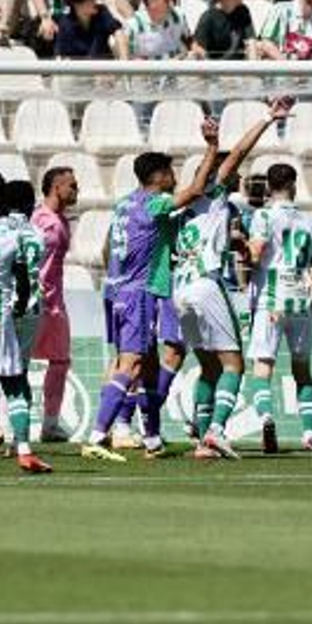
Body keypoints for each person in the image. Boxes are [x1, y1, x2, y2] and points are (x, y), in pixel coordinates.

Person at [81, 120, 221, 462]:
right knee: (131, 363)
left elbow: (105, 249)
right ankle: (97, 436)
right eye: (170, 171)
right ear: (158, 176)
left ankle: (154, 439)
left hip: (114, 290)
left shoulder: (124, 204)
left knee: (148, 365)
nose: (174, 177)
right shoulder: (155, 203)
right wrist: (212, 148)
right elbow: (196, 191)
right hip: (138, 291)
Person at [173, 106, 283, 460]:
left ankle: (203, 439)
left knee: (208, 365)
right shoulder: (214, 193)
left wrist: (235, 241)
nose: (236, 176)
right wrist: (268, 119)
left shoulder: (180, 208)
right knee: (234, 364)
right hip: (206, 283)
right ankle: (218, 430)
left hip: (180, 289)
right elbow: (239, 152)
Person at [243, 159, 312, 455]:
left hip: (271, 298)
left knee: (263, 367)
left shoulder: (263, 216)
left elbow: (257, 254)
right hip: (300, 298)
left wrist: (241, 247)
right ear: (293, 185)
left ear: (269, 187)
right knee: (302, 370)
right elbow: (307, 269)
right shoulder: (310, 222)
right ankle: (310, 434)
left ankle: (266, 417)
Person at [28, 165, 78, 442]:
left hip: (55, 302)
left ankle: (50, 424)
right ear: (57, 187)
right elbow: (34, 262)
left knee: (60, 361)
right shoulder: (43, 220)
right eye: (72, 185)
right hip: (38, 302)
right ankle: (10, 423)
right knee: (18, 363)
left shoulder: (60, 220)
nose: (76, 191)